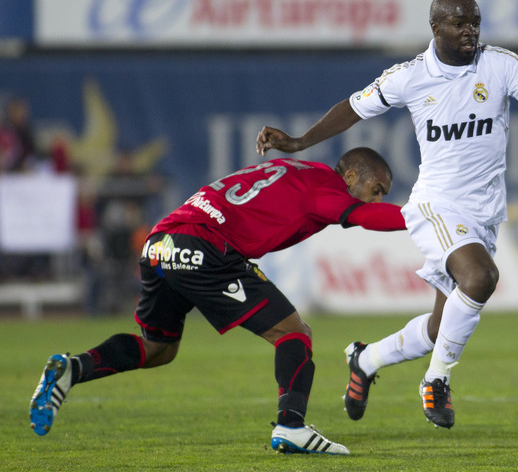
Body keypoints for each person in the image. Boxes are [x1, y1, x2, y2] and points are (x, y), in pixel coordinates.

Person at [256, 0, 518, 429]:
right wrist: (296, 143)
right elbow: (352, 108)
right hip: (436, 203)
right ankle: (436, 381)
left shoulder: (502, 65)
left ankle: (365, 359)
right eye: (459, 23)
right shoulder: (410, 76)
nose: (470, 31)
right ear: (436, 28)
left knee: (439, 327)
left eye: (475, 22)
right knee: (480, 277)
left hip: (482, 211)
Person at [29, 147, 406, 455]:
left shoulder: (297, 168)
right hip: (206, 245)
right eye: (377, 189)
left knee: (158, 348)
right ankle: (291, 426)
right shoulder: (327, 189)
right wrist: (422, 217)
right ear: (352, 177)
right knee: (294, 332)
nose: (378, 198)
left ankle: (72, 369)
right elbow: (365, 215)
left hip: (161, 241)